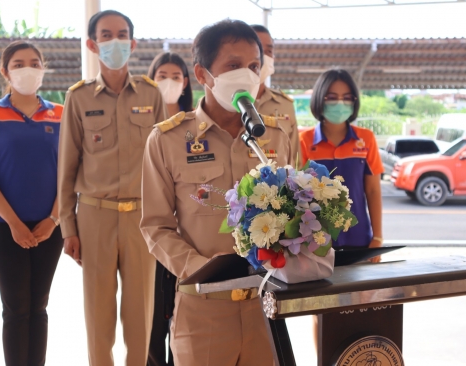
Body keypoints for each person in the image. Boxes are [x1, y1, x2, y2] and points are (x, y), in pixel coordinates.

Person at [140, 19, 291, 366]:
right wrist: (201, 269)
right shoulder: (167, 140)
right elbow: (155, 227)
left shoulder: (275, 137)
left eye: (253, 66)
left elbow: (290, 210)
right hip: (202, 307)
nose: (247, 75)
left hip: (265, 306)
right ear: (202, 74)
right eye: (234, 65)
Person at [58, 10, 165, 366]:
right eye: (106, 35)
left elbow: (165, 162)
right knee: (98, 317)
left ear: (132, 44)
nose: (114, 41)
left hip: (142, 218)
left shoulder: (151, 95)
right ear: (92, 44)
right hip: (94, 216)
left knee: (140, 315)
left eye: (121, 35)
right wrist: (68, 227)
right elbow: (67, 167)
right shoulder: (78, 97)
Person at [0, 41, 63, 366]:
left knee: (39, 306)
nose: (28, 69)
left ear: (43, 69)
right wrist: (14, 223)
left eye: (34, 63)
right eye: (18, 64)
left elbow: (72, 173)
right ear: (5, 71)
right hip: (2, 225)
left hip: (50, 227)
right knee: (16, 308)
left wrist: (54, 219)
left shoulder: (62, 114)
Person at [299, 69, 383, 258]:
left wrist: (377, 237)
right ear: (320, 99)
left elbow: (373, 191)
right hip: (316, 241)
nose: (340, 103)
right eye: (332, 97)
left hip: (359, 238)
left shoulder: (366, 139)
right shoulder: (303, 141)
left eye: (346, 98)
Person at [146, 51, 194, 366]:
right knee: (151, 320)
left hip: (188, 238)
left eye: (175, 76)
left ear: (186, 82)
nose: (169, 82)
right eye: (161, 76)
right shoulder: (142, 123)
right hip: (151, 235)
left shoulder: (196, 125)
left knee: (182, 317)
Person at [251, 24, 300, 163]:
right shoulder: (226, 104)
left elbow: (295, 161)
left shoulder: (285, 104)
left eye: (269, 51)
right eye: (258, 49)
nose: (264, 57)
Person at [148, 51, 194, 118]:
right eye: (162, 76)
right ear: (151, 80)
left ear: (185, 83)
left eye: (176, 77)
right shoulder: (141, 116)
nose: (169, 83)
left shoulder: (194, 118)